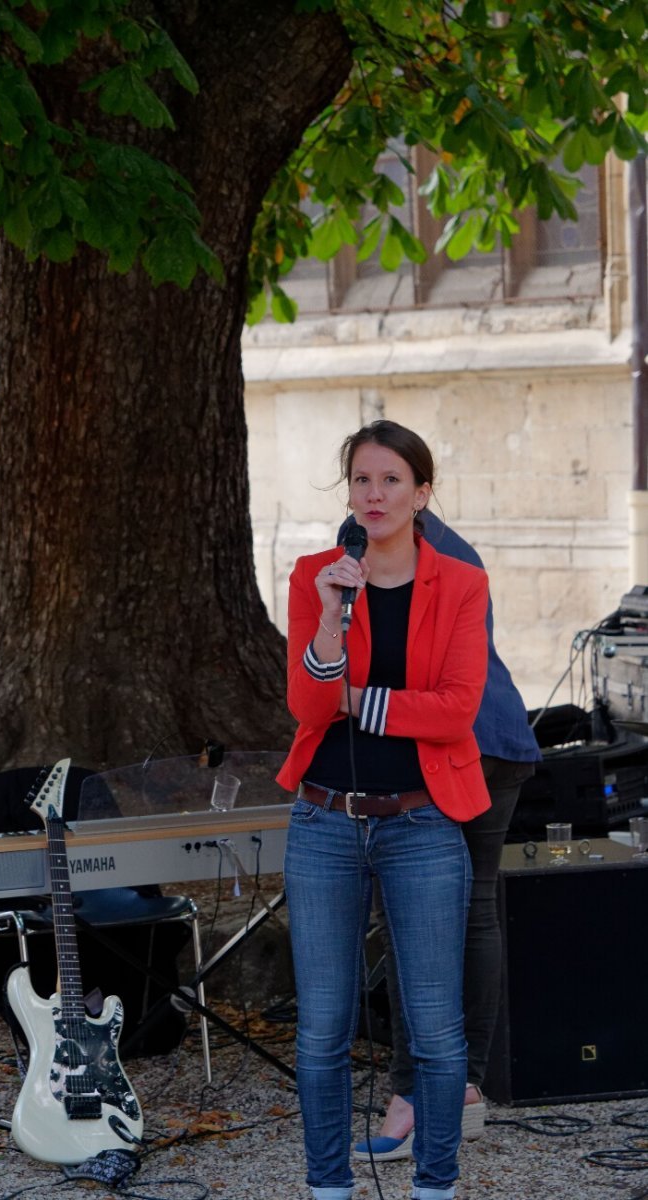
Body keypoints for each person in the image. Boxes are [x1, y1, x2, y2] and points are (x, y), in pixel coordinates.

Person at [278, 420, 490, 1200]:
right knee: (322, 1029)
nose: (375, 494)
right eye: (362, 481)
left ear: (421, 493)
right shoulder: (315, 577)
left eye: (391, 480)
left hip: (422, 823)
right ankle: (327, 1186)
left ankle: (436, 1185)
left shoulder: (462, 584)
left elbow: (456, 709)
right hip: (323, 823)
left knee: (435, 1031)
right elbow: (305, 705)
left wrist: (359, 703)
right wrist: (334, 611)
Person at [345, 510, 542, 1161]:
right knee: (474, 910)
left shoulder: (379, 549)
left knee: (409, 918)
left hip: (447, 746)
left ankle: (412, 1099)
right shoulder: (457, 548)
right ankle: (462, 1091)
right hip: (504, 736)